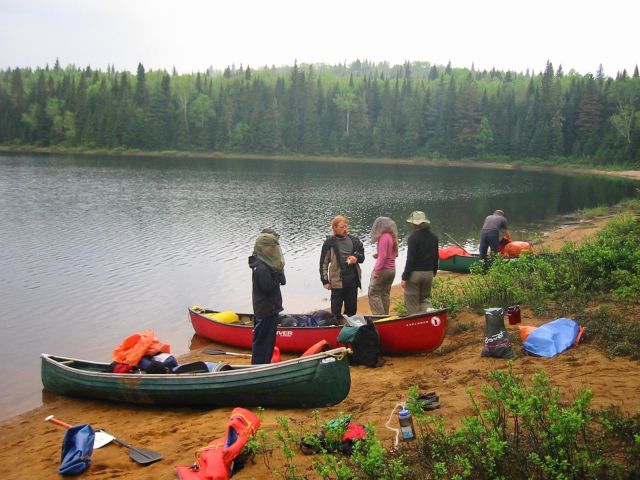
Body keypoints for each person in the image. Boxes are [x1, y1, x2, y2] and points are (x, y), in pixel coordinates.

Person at [248, 230, 286, 364]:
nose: (275, 250)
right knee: (262, 340)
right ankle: (258, 366)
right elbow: (268, 288)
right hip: (264, 309)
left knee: (269, 341)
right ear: (263, 248)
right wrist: (276, 273)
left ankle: (265, 363)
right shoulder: (261, 267)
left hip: (272, 308)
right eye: (272, 247)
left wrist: (279, 270)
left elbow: (283, 281)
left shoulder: (269, 264)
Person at [319, 215, 365, 317]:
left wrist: (356, 257)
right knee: (335, 312)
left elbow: (362, 257)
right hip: (337, 282)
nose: (345, 229)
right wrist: (325, 281)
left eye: (346, 227)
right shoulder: (329, 242)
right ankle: (336, 329)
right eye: (342, 227)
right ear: (335, 228)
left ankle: (349, 329)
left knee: (352, 311)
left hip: (352, 280)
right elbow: (323, 263)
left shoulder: (354, 241)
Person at [401, 211, 439, 315]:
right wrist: (434, 271)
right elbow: (436, 256)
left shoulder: (413, 238)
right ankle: (428, 322)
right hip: (429, 273)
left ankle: (416, 326)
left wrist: (404, 277)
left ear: (414, 224)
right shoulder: (434, 237)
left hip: (415, 274)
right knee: (425, 300)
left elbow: (410, 259)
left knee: (412, 302)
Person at [368, 217, 399, 315]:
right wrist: (379, 254)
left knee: (373, 293)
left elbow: (383, 256)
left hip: (383, 270)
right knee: (385, 293)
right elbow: (393, 254)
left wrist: (377, 271)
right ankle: (386, 316)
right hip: (392, 270)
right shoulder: (391, 237)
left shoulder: (384, 237)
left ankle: (379, 318)